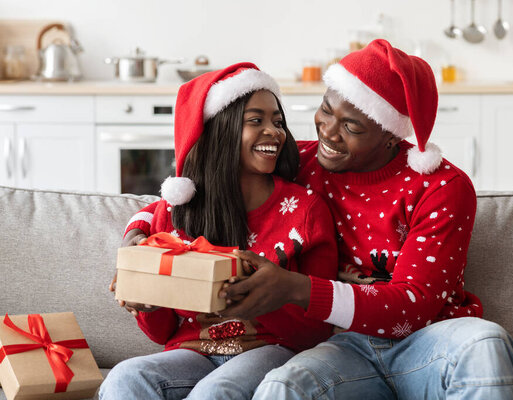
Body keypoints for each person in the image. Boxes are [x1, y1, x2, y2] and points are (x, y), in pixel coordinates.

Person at [220, 40, 513, 399]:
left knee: (486, 341)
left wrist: (295, 288)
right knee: (282, 385)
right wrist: (140, 228)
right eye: (326, 110)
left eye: (352, 126)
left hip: (429, 340)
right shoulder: (299, 163)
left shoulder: (442, 186)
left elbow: (415, 304)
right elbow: (211, 179)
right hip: (344, 346)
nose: (329, 131)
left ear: (391, 136)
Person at [100, 63, 338, 400]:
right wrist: (146, 303)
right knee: (125, 377)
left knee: (216, 391)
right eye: (255, 120)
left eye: (278, 121)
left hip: (273, 349)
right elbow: (161, 332)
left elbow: (315, 329)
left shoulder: (305, 210)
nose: (274, 132)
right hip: (193, 350)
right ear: (220, 131)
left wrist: (260, 299)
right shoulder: (176, 212)